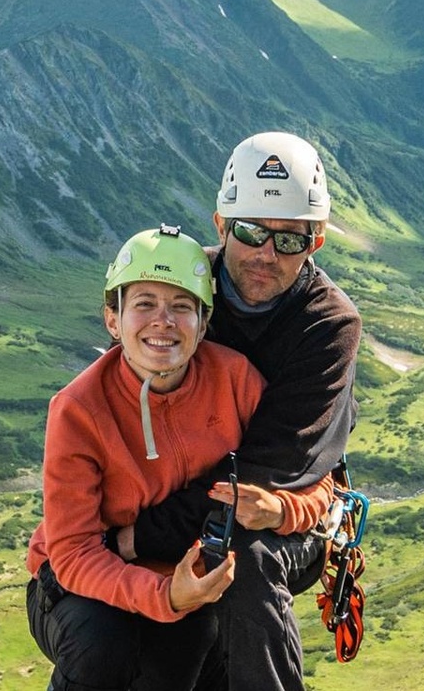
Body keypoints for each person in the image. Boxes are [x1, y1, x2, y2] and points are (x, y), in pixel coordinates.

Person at [25, 224, 330, 691]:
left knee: (185, 660)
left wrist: (282, 509)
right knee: (102, 647)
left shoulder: (236, 381)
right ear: (113, 318)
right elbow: (72, 551)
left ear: (204, 324)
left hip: (186, 579)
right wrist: (163, 595)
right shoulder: (79, 409)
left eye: (181, 307)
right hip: (81, 582)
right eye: (144, 303)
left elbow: (312, 476)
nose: (163, 322)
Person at [117, 131, 362, 691]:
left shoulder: (326, 326)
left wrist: (134, 537)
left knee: (243, 555)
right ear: (221, 224)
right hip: (172, 498)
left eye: (289, 241)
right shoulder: (178, 291)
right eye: (251, 232)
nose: (265, 255)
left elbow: (251, 484)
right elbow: (118, 405)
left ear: (316, 242)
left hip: (282, 513)